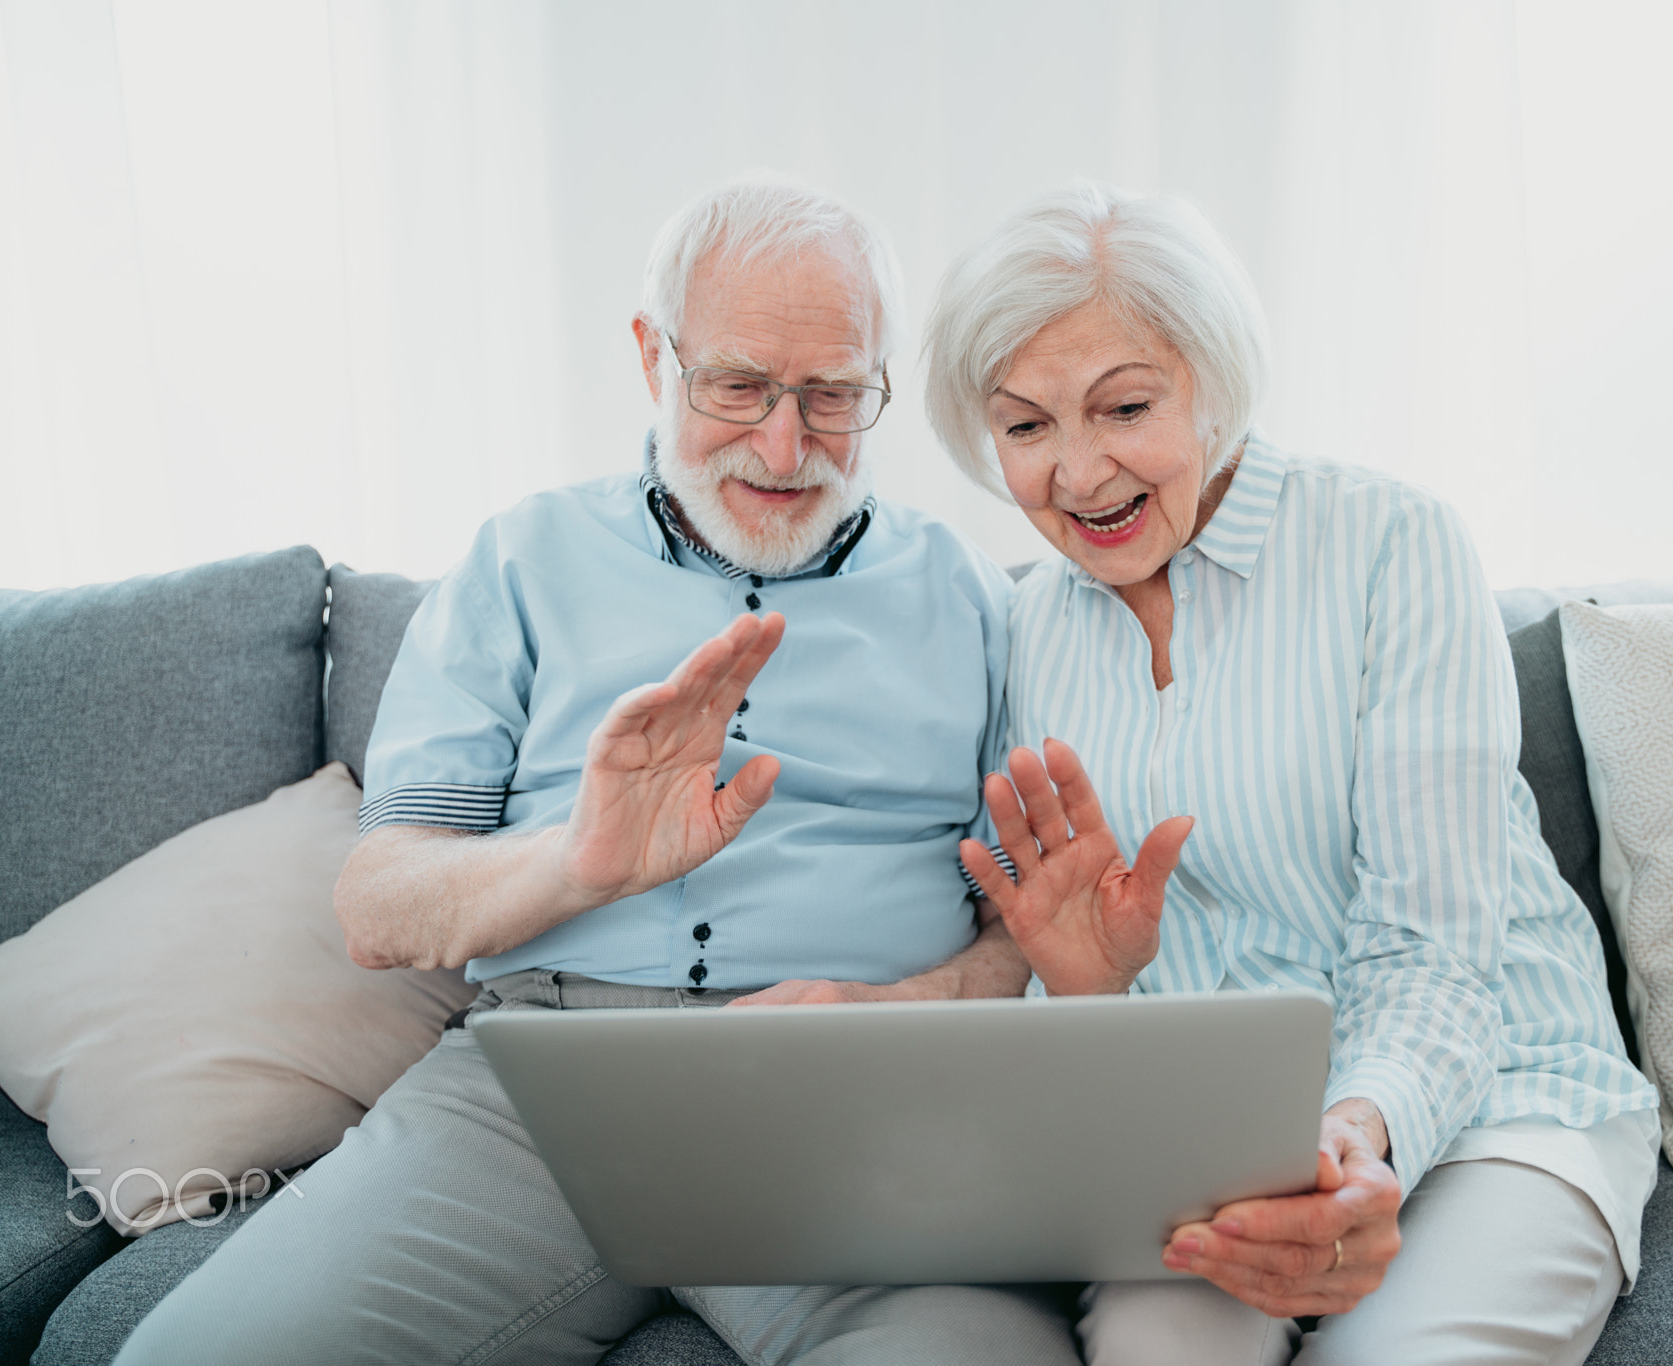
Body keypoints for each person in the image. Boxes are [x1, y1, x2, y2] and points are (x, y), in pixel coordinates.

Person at [116, 180, 1084, 1366]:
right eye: (736, 387)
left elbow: (1026, 935)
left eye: (830, 395)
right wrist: (574, 857)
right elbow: (378, 905)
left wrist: (892, 1013)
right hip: (539, 1096)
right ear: (650, 358)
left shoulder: (976, 602)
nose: (783, 448)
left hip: (857, 1098)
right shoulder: (523, 559)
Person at [926, 183, 1664, 1366]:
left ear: (1213, 379)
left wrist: (1353, 1136)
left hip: (1492, 1102)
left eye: (1124, 406)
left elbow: (1434, 945)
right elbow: (1085, 978)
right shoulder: (1030, 631)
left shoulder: (1390, 545)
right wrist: (1084, 992)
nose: (1075, 473)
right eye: (1023, 428)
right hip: (1207, 1155)